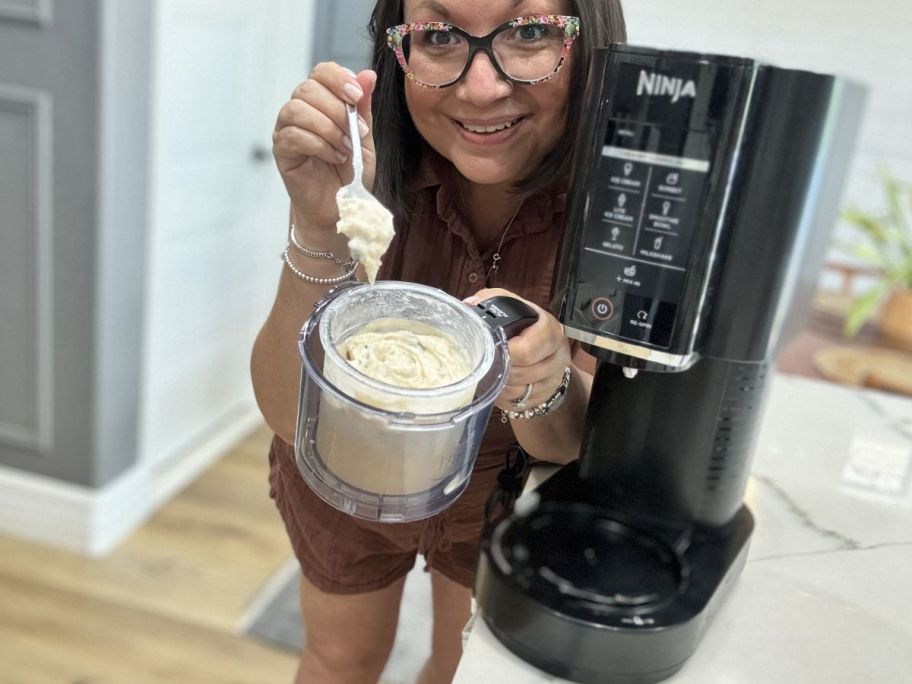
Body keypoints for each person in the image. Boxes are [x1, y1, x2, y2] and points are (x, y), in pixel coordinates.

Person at [251, 1, 627, 682]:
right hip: (344, 476)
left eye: (531, 31)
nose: (480, 88)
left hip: (502, 498)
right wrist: (316, 225)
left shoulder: (620, 213)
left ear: (589, 40)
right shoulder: (361, 175)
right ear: (399, 49)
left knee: (459, 666)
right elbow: (286, 413)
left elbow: (575, 447)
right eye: (441, 36)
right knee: (339, 657)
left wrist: (546, 384)